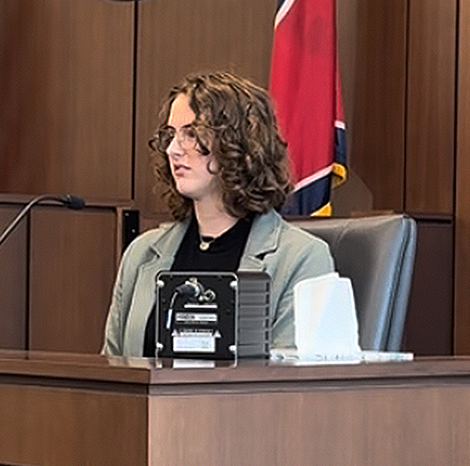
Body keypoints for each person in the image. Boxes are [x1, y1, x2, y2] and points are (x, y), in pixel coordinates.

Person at [102, 71, 335, 357]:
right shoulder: (141, 255)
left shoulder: (302, 259)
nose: (173, 150)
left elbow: (292, 389)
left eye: (191, 134)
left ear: (239, 144)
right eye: (170, 135)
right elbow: (113, 375)